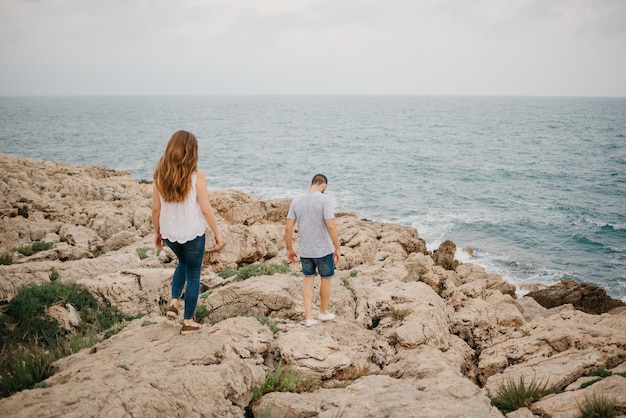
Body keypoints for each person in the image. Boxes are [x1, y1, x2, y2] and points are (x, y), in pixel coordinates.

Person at [152, 130, 224, 334]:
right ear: (191, 152)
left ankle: (174, 301)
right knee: (193, 274)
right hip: (192, 232)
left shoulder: (160, 174)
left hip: (170, 233)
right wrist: (217, 233)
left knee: (183, 262)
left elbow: (156, 208)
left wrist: (157, 232)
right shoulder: (196, 176)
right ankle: (188, 321)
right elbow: (206, 208)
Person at [285, 174, 341, 327]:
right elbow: (330, 225)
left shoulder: (296, 201)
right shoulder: (326, 200)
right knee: (326, 279)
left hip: (305, 250)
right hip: (323, 249)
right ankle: (323, 312)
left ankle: (309, 317)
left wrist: (289, 249)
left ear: (312, 183)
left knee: (308, 281)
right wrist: (337, 247)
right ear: (323, 186)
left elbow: (288, 227)